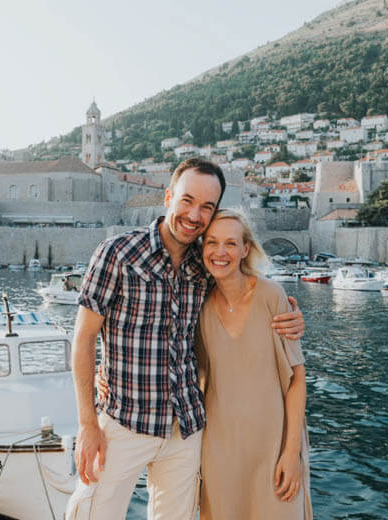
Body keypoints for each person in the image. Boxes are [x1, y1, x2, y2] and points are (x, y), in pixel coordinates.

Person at [67, 158, 305, 519]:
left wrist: (293, 316)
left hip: (187, 430)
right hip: (124, 422)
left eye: (206, 207)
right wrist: (87, 424)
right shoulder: (117, 254)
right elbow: (83, 339)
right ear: (168, 196)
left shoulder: (205, 262)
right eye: (187, 201)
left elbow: (244, 292)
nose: (194, 215)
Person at [196, 209, 311, 519]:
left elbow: (296, 380)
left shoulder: (271, 296)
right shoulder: (199, 306)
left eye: (230, 244)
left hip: (274, 449)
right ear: (202, 248)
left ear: (245, 249)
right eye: (212, 243)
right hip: (218, 451)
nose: (221, 253)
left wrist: (291, 453)